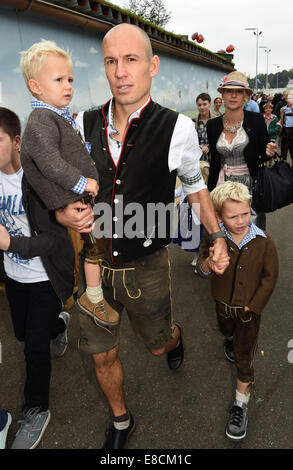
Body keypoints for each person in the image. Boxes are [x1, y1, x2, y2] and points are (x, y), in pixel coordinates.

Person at [56, 23, 230, 450]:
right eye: (111, 62)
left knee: (155, 345)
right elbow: (65, 185)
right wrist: (62, 209)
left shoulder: (177, 129)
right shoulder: (81, 124)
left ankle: (173, 336)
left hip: (148, 264)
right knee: (102, 352)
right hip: (95, 262)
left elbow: (195, 188)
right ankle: (120, 422)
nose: (120, 72)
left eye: (131, 60)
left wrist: (216, 235)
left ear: (152, 66)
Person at [19, 40, 117, 333]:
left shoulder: (56, 116)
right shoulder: (40, 119)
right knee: (90, 250)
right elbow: (49, 162)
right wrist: (81, 181)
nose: (68, 86)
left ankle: (94, 295)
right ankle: (91, 298)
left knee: (92, 249)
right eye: (59, 79)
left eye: (70, 79)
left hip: (74, 199)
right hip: (68, 197)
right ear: (36, 86)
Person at [0, 107, 74, 448]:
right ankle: (59, 325)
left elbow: (55, 240)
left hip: (44, 277)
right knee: (23, 334)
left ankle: (37, 410)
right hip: (13, 277)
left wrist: (10, 242)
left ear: (16, 141)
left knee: (33, 347)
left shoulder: (38, 180)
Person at [196, 181, 278, 441]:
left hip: (249, 313)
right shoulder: (213, 238)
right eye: (233, 216)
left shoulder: (264, 243)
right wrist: (209, 261)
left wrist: (253, 306)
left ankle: (240, 404)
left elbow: (270, 277)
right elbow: (201, 268)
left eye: (245, 213)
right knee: (225, 330)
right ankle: (229, 339)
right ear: (219, 216)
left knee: (245, 356)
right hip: (222, 306)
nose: (241, 220)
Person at [207, 71, 277, 231]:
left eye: (238, 91)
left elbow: (263, 151)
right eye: (229, 91)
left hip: (249, 187)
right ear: (222, 95)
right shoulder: (212, 125)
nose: (233, 96)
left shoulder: (256, 120)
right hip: (222, 187)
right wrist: (209, 193)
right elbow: (214, 163)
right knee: (223, 235)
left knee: (251, 236)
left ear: (245, 96)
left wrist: (269, 150)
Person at [194, 92, 217, 162]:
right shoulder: (193, 123)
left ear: (209, 104)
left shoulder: (216, 121)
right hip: (198, 160)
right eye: (199, 105)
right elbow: (190, 141)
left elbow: (220, 139)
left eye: (204, 104)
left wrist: (209, 147)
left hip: (213, 159)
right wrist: (199, 147)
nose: (202, 107)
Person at [279, 90, 293, 165]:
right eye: (287, 98)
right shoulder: (283, 109)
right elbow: (281, 121)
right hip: (285, 132)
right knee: (284, 152)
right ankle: (284, 169)